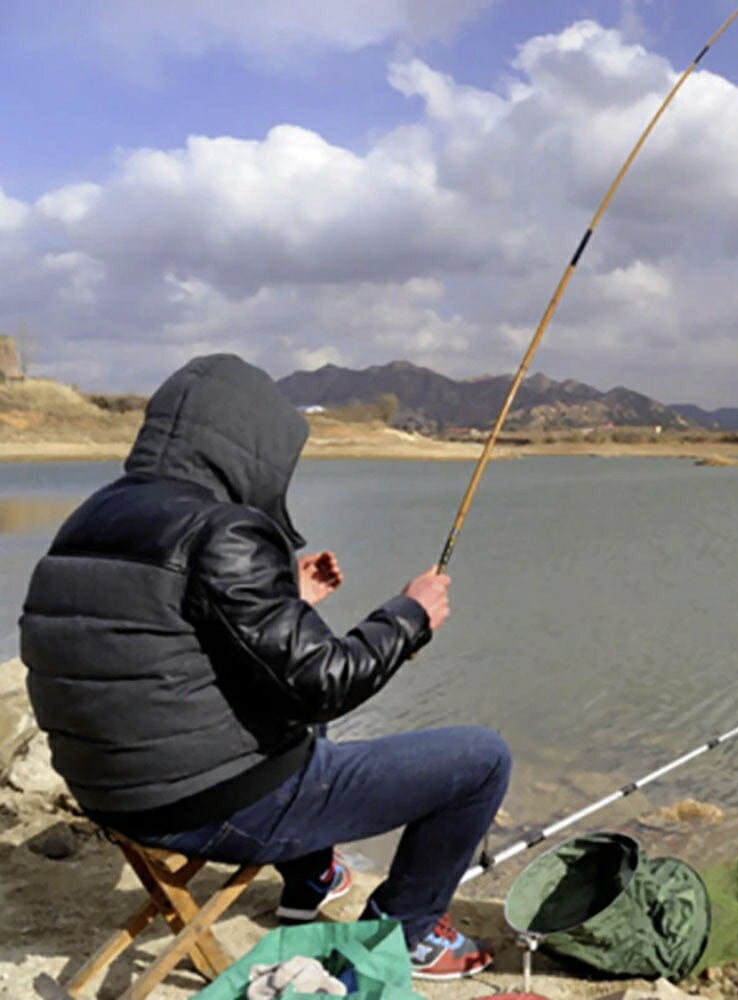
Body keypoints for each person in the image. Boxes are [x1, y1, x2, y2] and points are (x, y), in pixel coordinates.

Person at [19, 354, 511, 981]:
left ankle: (310, 879)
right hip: (202, 804)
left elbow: (150, 637)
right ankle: (404, 934)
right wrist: (410, 615)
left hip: (106, 795)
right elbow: (326, 684)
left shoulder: (88, 520)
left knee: (282, 700)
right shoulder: (221, 529)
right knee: (480, 760)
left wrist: (289, 601)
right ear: (248, 445)